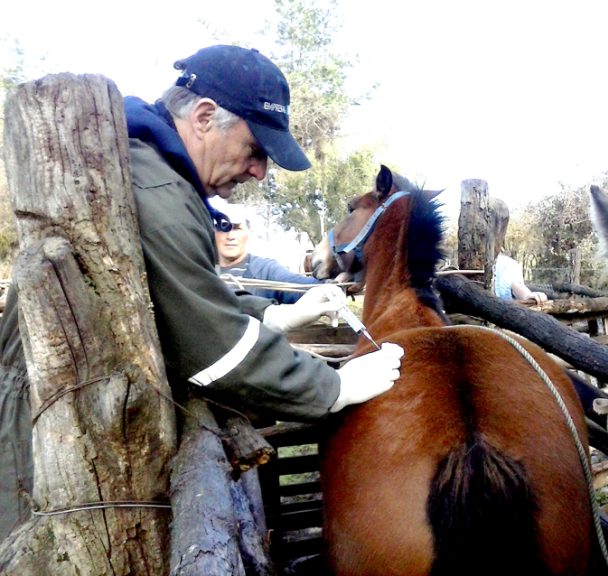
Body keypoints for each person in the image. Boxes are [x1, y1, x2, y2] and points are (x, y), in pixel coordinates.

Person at [0, 44, 403, 539]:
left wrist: (277, 317)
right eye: (256, 150)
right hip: (51, 428)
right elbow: (211, 348)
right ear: (206, 117)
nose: (259, 171)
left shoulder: (153, 170)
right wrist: (335, 387)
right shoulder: (160, 192)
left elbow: (174, 299)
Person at [215, 203, 320, 304]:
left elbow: (302, 286)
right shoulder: (202, 269)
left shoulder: (265, 271)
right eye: (223, 227)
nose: (230, 236)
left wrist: (330, 285)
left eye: (237, 228)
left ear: (249, 231)